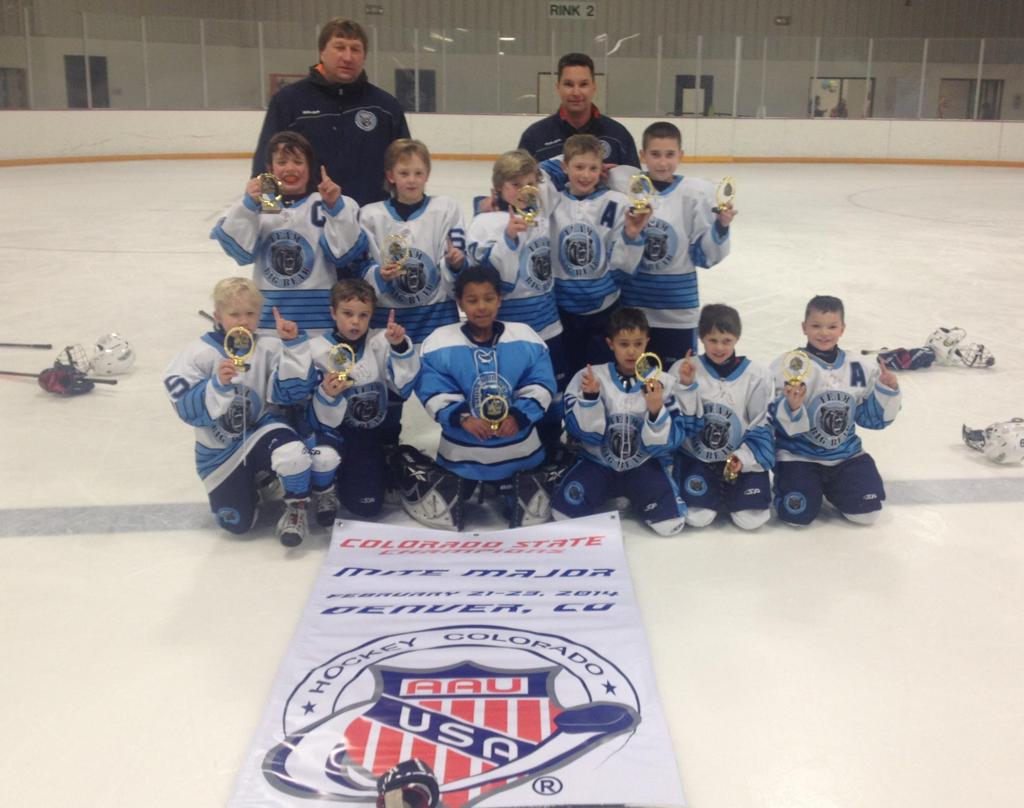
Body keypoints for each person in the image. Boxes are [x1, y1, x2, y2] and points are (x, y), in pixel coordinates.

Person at [162, 278, 340, 547]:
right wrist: (217, 386)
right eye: (234, 314)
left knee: (292, 454)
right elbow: (188, 411)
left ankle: (297, 507)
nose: (243, 321)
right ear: (217, 316)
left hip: (263, 431)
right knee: (236, 524)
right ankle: (260, 481)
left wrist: (293, 347)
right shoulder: (197, 354)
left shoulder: (269, 347)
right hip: (220, 452)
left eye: (250, 313)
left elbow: (292, 393)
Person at [409, 265, 558, 530]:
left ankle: (519, 477)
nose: (481, 307)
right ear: (460, 303)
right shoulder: (440, 342)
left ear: (500, 299)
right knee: (448, 512)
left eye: (489, 298)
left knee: (528, 514)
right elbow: (433, 387)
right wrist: (462, 417)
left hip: (519, 452)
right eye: (472, 300)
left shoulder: (526, 337)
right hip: (461, 455)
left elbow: (541, 382)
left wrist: (520, 415)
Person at [552, 308, 701, 535]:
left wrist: (655, 410)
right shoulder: (590, 377)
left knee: (670, 524)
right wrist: (590, 399)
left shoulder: (663, 382)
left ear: (647, 342)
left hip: (644, 466)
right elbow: (585, 435)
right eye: (623, 344)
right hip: (598, 464)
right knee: (563, 515)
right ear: (610, 344)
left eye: (638, 344)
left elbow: (669, 442)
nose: (631, 351)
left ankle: (642, 492)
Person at [358, 138, 466, 443]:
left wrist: (457, 262)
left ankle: (458, 450)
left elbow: (460, 259)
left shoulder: (446, 209)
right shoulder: (370, 215)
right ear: (390, 176)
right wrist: (378, 274)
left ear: (427, 174)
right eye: (404, 173)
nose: (412, 180)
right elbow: (359, 268)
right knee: (389, 397)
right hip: (390, 323)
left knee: (448, 393)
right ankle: (388, 452)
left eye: (418, 173)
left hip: (436, 320)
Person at [212, 131, 366, 333]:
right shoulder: (260, 206)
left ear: (309, 167)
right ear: (269, 169)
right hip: (269, 323)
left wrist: (335, 208)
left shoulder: (325, 203)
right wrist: (248, 206)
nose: (290, 168)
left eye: (298, 162)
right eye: (282, 162)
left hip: (318, 323)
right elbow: (241, 254)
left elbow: (343, 254)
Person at [607, 121, 735, 365]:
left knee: (677, 378)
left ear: (680, 155)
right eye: (655, 154)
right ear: (643, 155)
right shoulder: (627, 189)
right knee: (637, 379)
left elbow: (705, 257)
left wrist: (721, 226)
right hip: (635, 311)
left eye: (669, 155)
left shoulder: (694, 194)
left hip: (679, 312)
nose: (662, 163)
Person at [770, 295, 901, 526]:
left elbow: (872, 420)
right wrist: (792, 408)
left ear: (842, 329)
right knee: (796, 517)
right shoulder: (787, 366)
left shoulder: (858, 366)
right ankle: (798, 482)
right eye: (816, 326)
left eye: (832, 327)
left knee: (866, 514)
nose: (824, 333)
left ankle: (831, 485)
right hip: (798, 455)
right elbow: (770, 420)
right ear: (804, 327)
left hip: (845, 456)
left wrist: (886, 390)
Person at [466, 149, 566, 453]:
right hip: (509, 330)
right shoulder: (485, 223)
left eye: (529, 184)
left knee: (550, 392)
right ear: (498, 188)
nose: (524, 191)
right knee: (512, 393)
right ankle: (512, 453)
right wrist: (508, 239)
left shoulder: (541, 214)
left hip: (548, 325)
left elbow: (564, 163)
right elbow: (495, 283)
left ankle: (552, 450)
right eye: (515, 185)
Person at [251, 18, 410, 207]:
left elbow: (407, 166)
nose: (348, 57)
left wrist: (407, 215)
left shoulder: (385, 107)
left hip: (367, 218)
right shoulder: (289, 101)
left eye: (355, 49)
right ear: (322, 52)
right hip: (306, 221)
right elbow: (266, 161)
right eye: (339, 47)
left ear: (364, 56)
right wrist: (270, 211)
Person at [297, 279, 420, 522]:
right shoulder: (316, 349)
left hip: (370, 435)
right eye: (348, 313)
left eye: (363, 315)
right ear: (333, 312)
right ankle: (324, 482)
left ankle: (379, 463)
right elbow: (312, 415)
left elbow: (403, 388)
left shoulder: (381, 341)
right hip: (334, 434)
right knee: (326, 457)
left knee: (368, 507)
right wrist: (327, 394)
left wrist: (399, 347)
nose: (355, 321)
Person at [545, 133, 649, 379]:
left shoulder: (617, 203)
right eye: (579, 167)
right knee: (569, 378)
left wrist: (631, 236)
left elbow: (624, 263)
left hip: (604, 309)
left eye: (593, 168)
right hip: (562, 310)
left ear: (602, 169)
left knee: (604, 377)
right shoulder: (551, 202)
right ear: (564, 167)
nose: (585, 175)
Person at [670, 304, 774, 530]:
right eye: (712, 340)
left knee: (751, 519)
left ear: (737, 337)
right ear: (701, 337)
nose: (719, 347)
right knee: (698, 518)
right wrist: (686, 386)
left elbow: (762, 424)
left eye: (726, 340)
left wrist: (744, 458)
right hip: (697, 457)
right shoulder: (683, 369)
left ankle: (735, 489)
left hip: (738, 457)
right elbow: (679, 425)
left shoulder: (757, 376)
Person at [518, 52, 639, 166]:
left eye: (583, 84)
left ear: (594, 87)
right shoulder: (534, 137)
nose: (576, 92)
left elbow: (636, 180)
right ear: (558, 87)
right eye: (569, 84)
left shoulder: (618, 135)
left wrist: (612, 176)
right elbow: (518, 179)